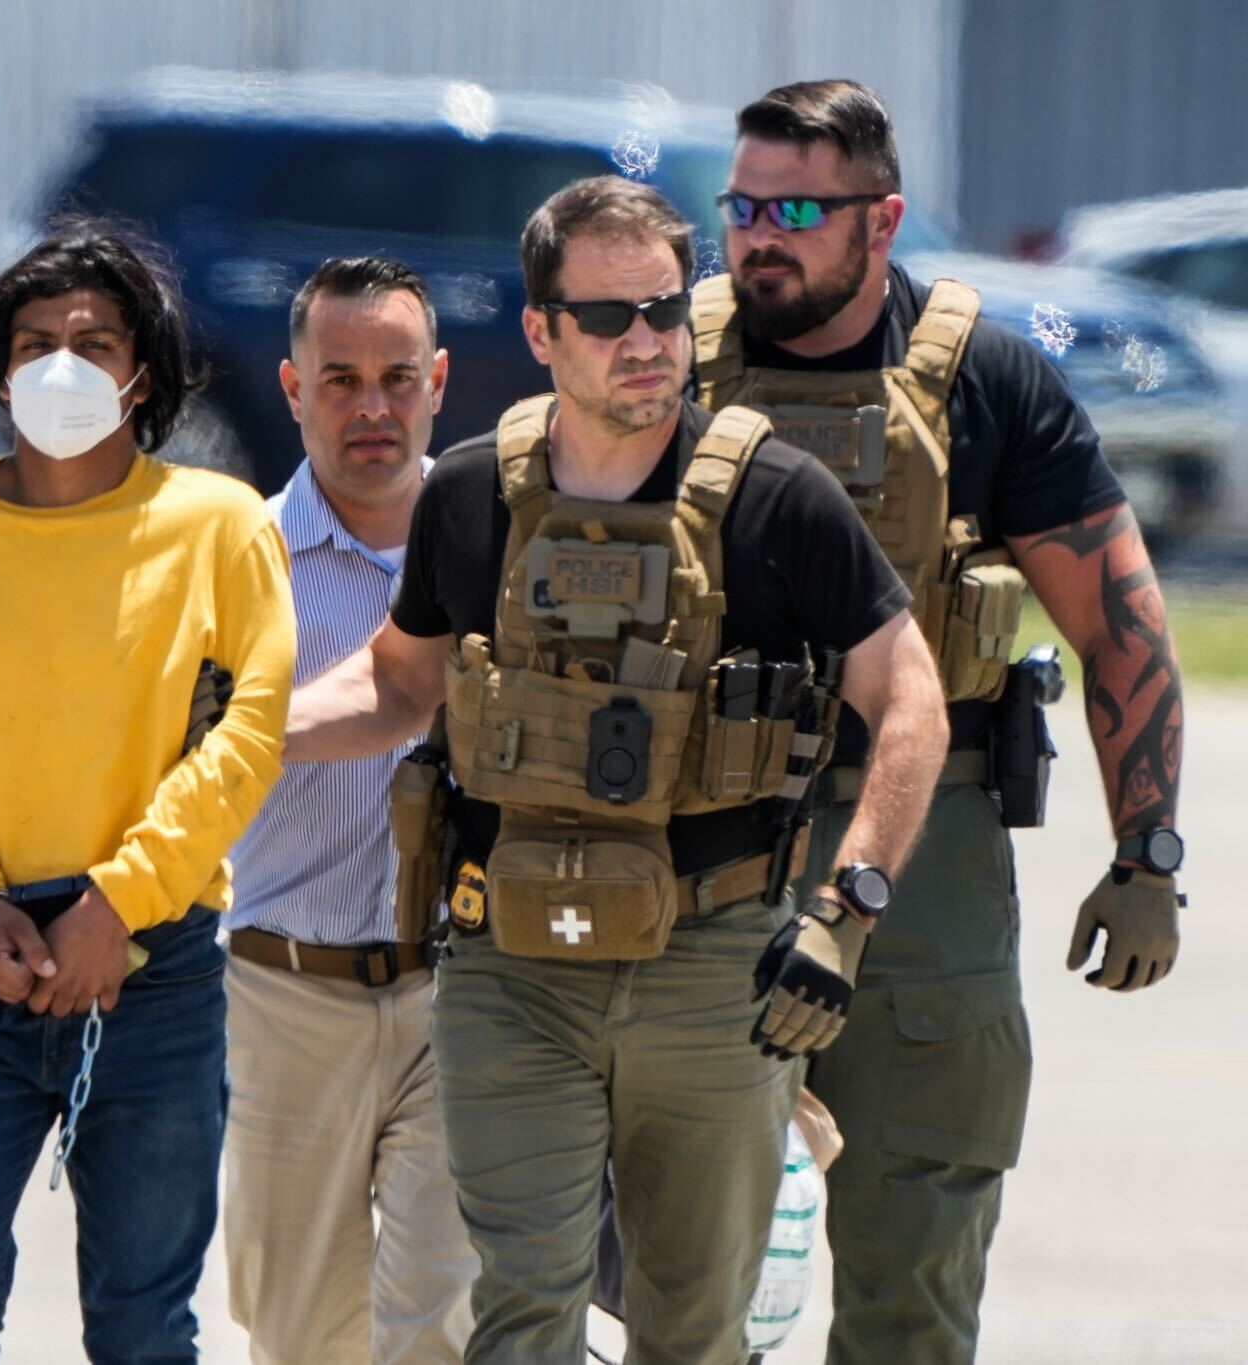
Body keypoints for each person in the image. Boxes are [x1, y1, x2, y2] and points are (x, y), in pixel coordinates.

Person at [286, 175, 950, 1364]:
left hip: (711, 970)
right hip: (511, 968)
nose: (642, 341)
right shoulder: (470, 493)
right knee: (524, 1302)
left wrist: (844, 915)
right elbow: (398, 683)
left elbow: (907, 699)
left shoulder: (775, 494)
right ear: (540, 332)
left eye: (660, 310)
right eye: (604, 318)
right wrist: (244, 731)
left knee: (690, 1326)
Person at [691, 80, 1189, 1364]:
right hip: (692, 848)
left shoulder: (984, 378)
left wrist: (1147, 860)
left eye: (795, 206)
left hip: (927, 864)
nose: (758, 234)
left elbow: (1118, 627)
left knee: (910, 1283)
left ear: (883, 218)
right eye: (740, 204)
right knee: (677, 1285)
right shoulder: (663, 362)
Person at [0, 219, 294, 1365]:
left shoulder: (220, 526)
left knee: (143, 1328)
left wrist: (118, 905)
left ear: (145, 372)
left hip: (156, 975)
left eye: (95, 342)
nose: (63, 367)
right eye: (36, 341)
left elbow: (247, 734)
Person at [220, 256, 477, 1365]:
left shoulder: (502, 556)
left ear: (440, 381)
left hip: (457, 996)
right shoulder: (234, 566)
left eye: (396, 376)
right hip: (282, 997)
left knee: (432, 1317)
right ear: (289, 388)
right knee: (297, 1335)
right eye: (338, 380)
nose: (371, 406)